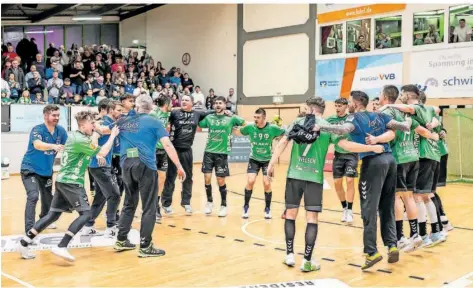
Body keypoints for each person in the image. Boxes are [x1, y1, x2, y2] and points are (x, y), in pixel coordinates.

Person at [268, 97, 385, 272]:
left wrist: (270, 164)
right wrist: (372, 148)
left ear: (309, 108)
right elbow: (347, 145)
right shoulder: (326, 126)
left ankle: (289, 255)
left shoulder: (297, 121)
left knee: (291, 215)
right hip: (314, 178)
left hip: (294, 175)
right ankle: (307, 260)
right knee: (312, 219)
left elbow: (283, 143)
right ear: (322, 110)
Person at [314, 90, 412, 270]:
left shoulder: (354, 118)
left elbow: (342, 130)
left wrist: (321, 125)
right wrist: (409, 120)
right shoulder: (380, 115)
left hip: (372, 163)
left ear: (356, 102)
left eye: (350, 101)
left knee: (369, 209)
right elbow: (404, 127)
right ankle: (391, 245)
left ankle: (371, 252)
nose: (348, 104)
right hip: (391, 162)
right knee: (386, 206)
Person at [17, 111, 119, 262]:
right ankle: (62, 245)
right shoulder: (81, 139)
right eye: (92, 123)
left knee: (53, 215)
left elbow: (85, 151)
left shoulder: (74, 136)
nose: (94, 126)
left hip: (63, 180)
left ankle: (25, 241)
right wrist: (112, 135)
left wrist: (96, 150)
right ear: (83, 124)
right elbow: (103, 151)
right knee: (86, 214)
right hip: (72, 182)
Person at [113, 95, 185, 257]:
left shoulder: (124, 121)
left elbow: (105, 129)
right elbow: (166, 144)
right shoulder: (154, 122)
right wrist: (179, 166)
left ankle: (121, 239)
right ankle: (145, 246)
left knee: (129, 203)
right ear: (152, 108)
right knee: (149, 206)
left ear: (136, 107)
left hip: (126, 164)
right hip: (145, 165)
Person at [379, 85, 446, 247]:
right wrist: (436, 135)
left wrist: (388, 106)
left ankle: (412, 235)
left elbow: (418, 125)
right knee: (419, 196)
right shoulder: (423, 112)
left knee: (407, 197)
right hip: (420, 157)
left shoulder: (406, 111)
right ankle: (426, 231)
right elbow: (433, 116)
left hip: (409, 157)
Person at [161, 95, 224, 214]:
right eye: (182, 99)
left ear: (192, 103)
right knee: (170, 177)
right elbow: (163, 112)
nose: (183, 101)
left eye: (186, 100)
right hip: (173, 149)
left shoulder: (197, 114)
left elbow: (213, 111)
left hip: (187, 150)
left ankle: (186, 202)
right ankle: (166, 203)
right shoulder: (175, 113)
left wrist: (225, 111)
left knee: (188, 177)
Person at [20, 105, 68, 234]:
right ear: (46, 115)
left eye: (58, 115)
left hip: (46, 171)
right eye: (54, 115)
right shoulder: (37, 130)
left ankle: (44, 220)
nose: (56, 118)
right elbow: (38, 145)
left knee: (48, 199)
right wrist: (53, 146)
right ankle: (29, 230)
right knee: (33, 196)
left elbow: (68, 146)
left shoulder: (61, 131)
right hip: (30, 169)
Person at [81, 100, 123, 237]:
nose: (120, 112)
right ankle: (111, 227)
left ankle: (88, 225)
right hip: (99, 166)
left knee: (100, 197)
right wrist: (97, 153)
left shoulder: (107, 123)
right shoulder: (104, 123)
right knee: (115, 195)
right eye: (118, 110)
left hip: (101, 166)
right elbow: (94, 136)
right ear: (111, 110)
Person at [233, 108, 285, 219]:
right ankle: (246, 207)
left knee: (267, 184)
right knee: (250, 181)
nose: (256, 119)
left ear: (264, 118)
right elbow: (237, 132)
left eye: (258, 117)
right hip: (254, 159)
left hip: (268, 161)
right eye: (255, 117)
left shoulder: (272, 128)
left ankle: (267, 209)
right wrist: (230, 123)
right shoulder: (250, 127)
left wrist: (278, 136)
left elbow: (284, 135)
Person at [199, 96, 246, 217]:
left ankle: (223, 205)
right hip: (209, 152)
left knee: (220, 180)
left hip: (222, 153)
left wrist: (235, 130)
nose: (218, 105)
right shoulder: (209, 117)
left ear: (225, 105)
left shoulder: (231, 118)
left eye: (220, 103)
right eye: (216, 103)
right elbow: (199, 124)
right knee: (207, 178)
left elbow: (244, 123)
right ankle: (209, 202)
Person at [325, 98, 358, 224]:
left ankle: (350, 210)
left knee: (349, 180)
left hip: (352, 154)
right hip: (338, 155)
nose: (337, 108)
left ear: (345, 106)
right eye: (336, 105)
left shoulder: (351, 118)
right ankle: (344, 208)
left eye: (340, 106)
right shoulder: (331, 120)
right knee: (337, 183)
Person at [149, 95, 172, 220]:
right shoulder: (153, 113)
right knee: (150, 179)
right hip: (152, 150)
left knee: (161, 179)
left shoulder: (168, 114)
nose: (172, 106)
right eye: (171, 104)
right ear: (166, 104)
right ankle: (149, 206)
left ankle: (156, 205)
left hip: (163, 150)